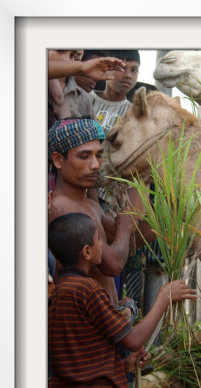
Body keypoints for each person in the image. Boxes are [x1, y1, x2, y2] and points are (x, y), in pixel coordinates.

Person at [48, 212, 197, 388]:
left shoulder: (59, 288)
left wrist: (124, 364)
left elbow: (79, 359)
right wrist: (164, 298)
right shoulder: (88, 290)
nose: (103, 244)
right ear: (87, 252)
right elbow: (133, 341)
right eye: (99, 239)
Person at [48, 117, 153, 307]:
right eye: (84, 156)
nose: (96, 164)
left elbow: (128, 243)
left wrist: (146, 176)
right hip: (84, 330)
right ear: (58, 160)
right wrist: (125, 225)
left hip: (103, 324)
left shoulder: (89, 204)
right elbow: (113, 265)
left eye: (98, 155)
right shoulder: (60, 206)